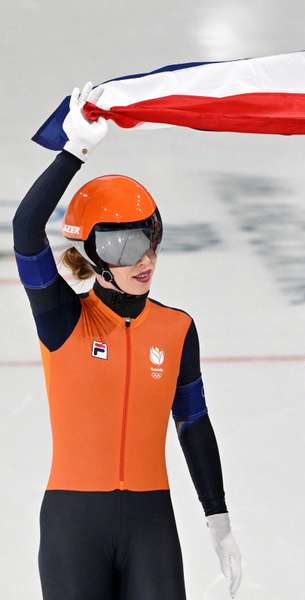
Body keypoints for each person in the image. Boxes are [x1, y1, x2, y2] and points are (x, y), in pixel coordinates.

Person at [12, 83, 242, 600]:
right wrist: (75, 151)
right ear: (91, 252)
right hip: (75, 527)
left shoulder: (177, 329)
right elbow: (27, 229)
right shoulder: (63, 320)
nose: (145, 260)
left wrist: (217, 512)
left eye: (150, 239)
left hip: (150, 527)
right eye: (124, 244)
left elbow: (193, 423)